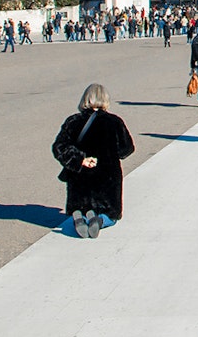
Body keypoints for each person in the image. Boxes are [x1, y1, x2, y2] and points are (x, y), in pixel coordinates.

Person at [51, 83, 135, 238]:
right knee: (111, 215)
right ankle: (99, 220)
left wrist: (80, 159)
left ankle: (80, 216)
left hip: (80, 177)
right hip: (107, 177)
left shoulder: (73, 121)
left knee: (82, 206)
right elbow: (126, 149)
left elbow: (59, 147)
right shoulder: (115, 122)